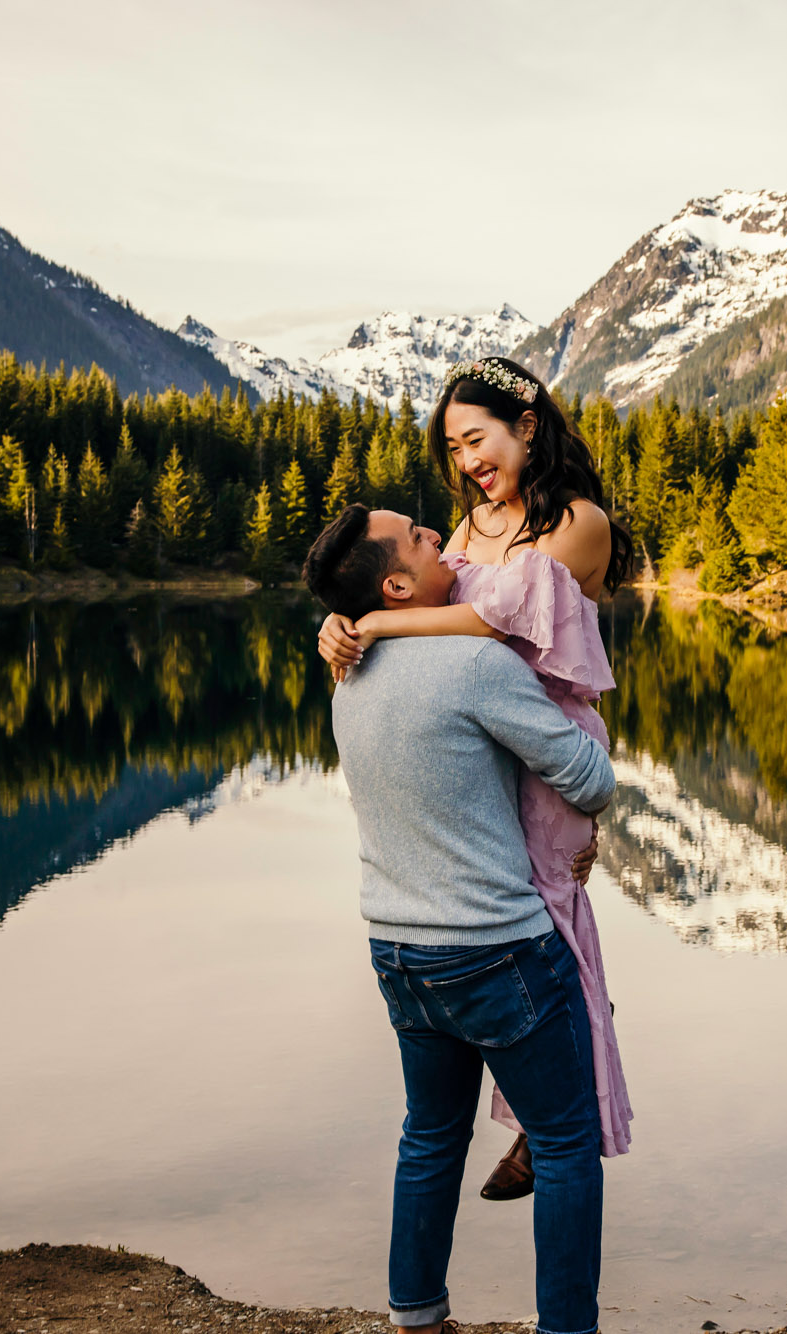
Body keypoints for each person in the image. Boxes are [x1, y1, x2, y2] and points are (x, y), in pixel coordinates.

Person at [316, 356, 636, 1197]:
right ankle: (545, 1114)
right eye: (453, 448)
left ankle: (556, 1120)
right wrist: (343, 627)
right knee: (528, 921)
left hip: (551, 741)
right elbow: (423, 605)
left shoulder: (579, 522)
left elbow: (496, 624)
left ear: (527, 426)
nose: (466, 463)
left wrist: (380, 619)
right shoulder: (467, 529)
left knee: (554, 922)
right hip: (485, 740)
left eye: (476, 439)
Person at [304, 503, 615, 1334]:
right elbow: (590, 780)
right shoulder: (475, 665)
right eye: (419, 537)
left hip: (398, 949)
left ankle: (416, 1318)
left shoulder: (349, 672)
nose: (439, 534)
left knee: (431, 1136)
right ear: (399, 583)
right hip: (497, 950)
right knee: (563, 1144)